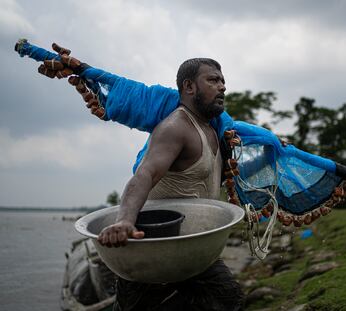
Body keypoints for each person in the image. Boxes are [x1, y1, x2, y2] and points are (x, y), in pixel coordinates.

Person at [38, 45, 245, 310]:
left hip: (194, 248)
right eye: (213, 80)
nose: (222, 87)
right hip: (151, 251)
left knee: (228, 299)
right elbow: (144, 175)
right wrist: (124, 221)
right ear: (189, 87)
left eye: (223, 80)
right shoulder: (176, 127)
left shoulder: (214, 130)